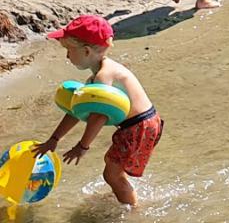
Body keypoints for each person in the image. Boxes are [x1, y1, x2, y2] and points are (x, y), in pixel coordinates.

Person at [34, 14, 163, 208]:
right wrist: (54, 140)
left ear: (86, 51)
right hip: (143, 123)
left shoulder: (104, 76)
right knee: (113, 170)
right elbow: (75, 111)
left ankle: (133, 212)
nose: (67, 55)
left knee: (110, 175)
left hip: (139, 126)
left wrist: (83, 146)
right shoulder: (96, 77)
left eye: (69, 50)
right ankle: (126, 194)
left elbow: (99, 115)